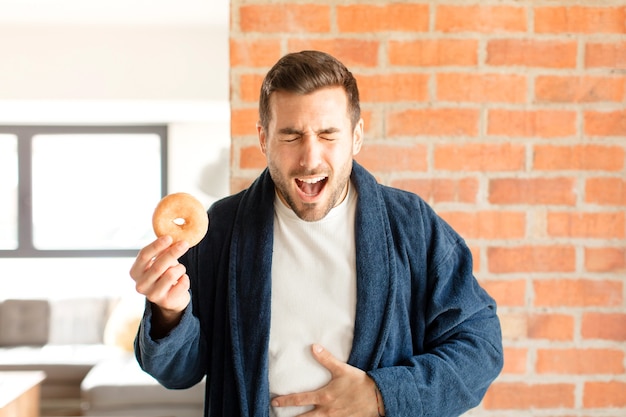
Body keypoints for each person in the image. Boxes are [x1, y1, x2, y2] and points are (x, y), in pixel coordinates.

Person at [130, 50, 503, 417]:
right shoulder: (223, 228)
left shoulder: (410, 224)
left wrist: (381, 395)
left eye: (328, 134)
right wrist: (169, 314)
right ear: (264, 139)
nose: (310, 158)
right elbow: (179, 374)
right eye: (291, 136)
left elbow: (480, 346)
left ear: (356, 136)